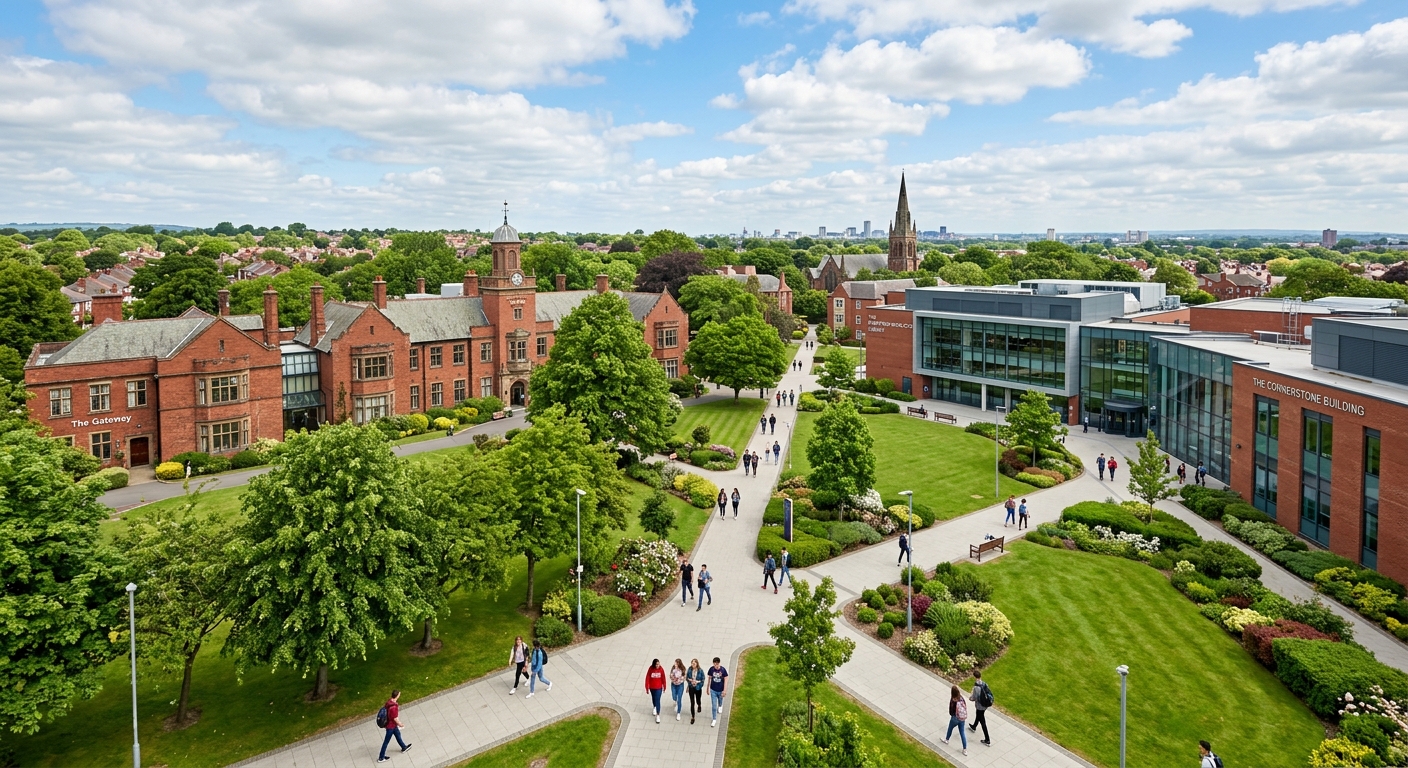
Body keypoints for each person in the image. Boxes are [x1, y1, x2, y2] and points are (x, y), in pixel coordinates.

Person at [377, 689, 412, 762]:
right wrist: (401, 724)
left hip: (392, 726)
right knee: (386, 742)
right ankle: (381, 757)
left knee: (398, 735)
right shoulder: (394, 707)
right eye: (399, 694)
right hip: (391, 726)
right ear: (397, 696)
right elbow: (395, 718)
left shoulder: (389, 702)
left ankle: (404, 747)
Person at [943, 684, 969, 756]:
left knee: (950, 728)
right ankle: (965, 749)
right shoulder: (961, 698)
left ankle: (947, 739)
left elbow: (951, 709)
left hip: (955, 717)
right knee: (962, 732)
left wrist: (952, 715)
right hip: (962, 718)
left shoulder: (953, 699)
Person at [968, 670, 993, 746]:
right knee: (979, 715)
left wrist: (970, 698)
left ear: (974, 677)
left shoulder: (976, 687)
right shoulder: (984, 684)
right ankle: (974, 726)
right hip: (985, 705)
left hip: (979, 706)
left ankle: (987, 739)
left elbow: (974, 697)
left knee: (982, 721)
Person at [708, 656, 728, 727]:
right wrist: (708, 688)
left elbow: (726, 679)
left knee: (720, 700)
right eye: (714, 664)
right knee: (713, 705)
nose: (716, 666)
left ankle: (720, 705)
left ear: (719, 663)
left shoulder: (723, 670)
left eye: (717, 664)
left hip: (720, 690)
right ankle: (714, 719)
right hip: (713, 689)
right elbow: (709, 678)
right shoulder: (711, 669)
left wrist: (724, 690)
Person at [646, 659, 666, 723]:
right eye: (657, 664)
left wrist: (664, 686)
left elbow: (663, 678)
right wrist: (647, 687)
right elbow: (647, 678)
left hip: (659, 688)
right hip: (652, 687)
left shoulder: (661, 669)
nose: (658, 665)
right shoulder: (651, 669)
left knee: (658, 700)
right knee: (654, 698)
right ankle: (654, 707)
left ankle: (658, 714)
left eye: (659, 664)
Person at [686, 659, 705, 724]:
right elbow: (687, 677)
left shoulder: (700, 671)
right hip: (691, 687)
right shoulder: (689, 669)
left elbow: (703, 679)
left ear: (697, 664)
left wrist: (697, 682)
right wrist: (690, 681)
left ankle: (699, 705)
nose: (693, 665)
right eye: (692, 663)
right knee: (692, 702)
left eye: (694, 663)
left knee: (698, 699)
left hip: (698, 687)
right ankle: (693, 716)